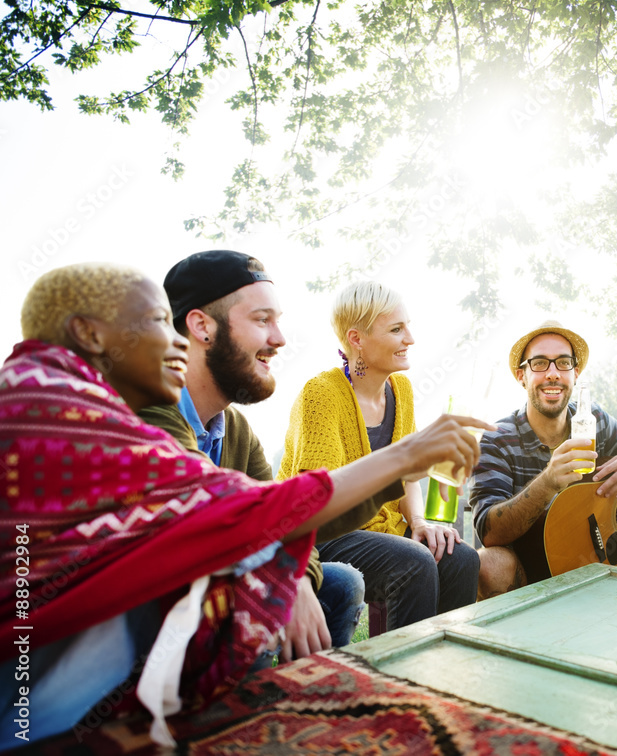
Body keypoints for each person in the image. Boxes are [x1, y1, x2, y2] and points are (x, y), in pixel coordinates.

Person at [0, 263, 485, 748]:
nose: (174, 341)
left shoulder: (197, 424)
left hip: (87, 650)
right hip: (26, 696)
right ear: (89, 333)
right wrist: (404, 457)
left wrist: (420, 508)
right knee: (248, 577)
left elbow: (263, 517)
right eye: (155, 322)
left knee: (430, 557)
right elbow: (237, 513)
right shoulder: (55, 410)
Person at [139, 249, 365, 656]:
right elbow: (206, 529)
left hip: (214, 580)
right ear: (202, 326)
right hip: (139, 610)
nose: (279, 339)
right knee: (249, 591)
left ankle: (310, 698)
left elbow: (289, 521)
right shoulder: (148, 410)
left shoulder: (236, 429)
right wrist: (280, 579)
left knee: (340, 583)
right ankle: (236, 717)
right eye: (262, 320)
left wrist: (294, 578)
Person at [277, 280, 480, 631]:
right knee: (414, 560)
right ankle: (401, 674)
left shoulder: (401, 390)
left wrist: (419, 523)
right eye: (397, 329)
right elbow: (320, 501)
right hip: (322, 535)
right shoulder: (321, 394)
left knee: (458, 556)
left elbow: (408, 474)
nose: (410, 339)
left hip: (385, 530)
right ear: (357, 339)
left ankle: (445, 661)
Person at [471, 321, 617, 598]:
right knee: (489, 564)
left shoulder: (594, 419)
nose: (552, 374)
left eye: (563, 363)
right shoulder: (496, 439)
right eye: (538, 364)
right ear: (520, 375)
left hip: (606, 562)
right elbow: (488, 532)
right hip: (531, 578)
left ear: (576, 373)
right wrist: (547, 482)